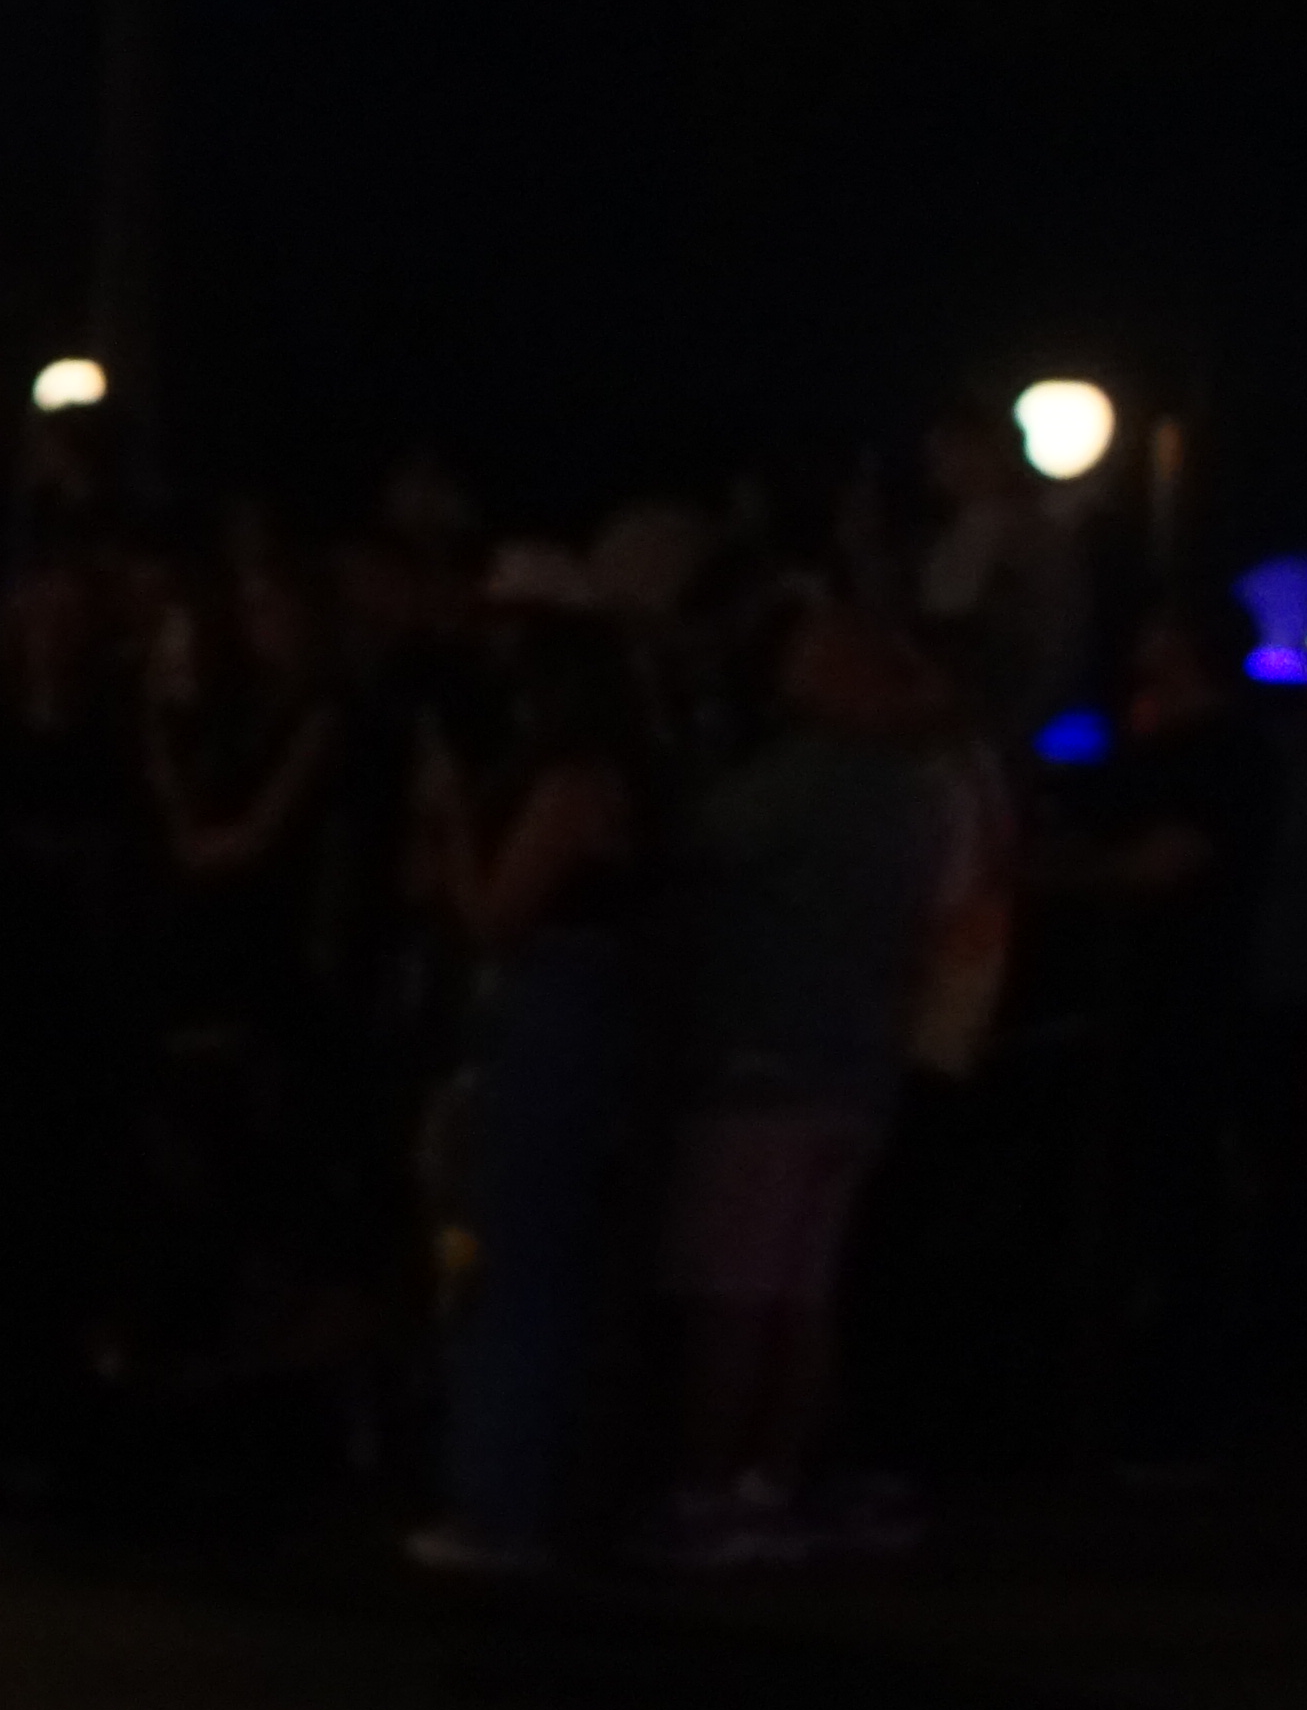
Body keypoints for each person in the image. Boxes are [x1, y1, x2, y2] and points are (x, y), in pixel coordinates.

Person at [655, 595, 953, 1560]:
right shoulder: (915, 795)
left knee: (735, 1289)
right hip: (856, 1066)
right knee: (802, 1293)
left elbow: (691, 844)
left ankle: (708, 1487)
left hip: (765, 1060)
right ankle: (771, 1481)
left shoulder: (795, 785)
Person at [408, 580, 648, 1573]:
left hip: (549, 1013)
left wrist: (455, 822)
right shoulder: (602, 783)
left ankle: (500, 1496)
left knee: (514, 1256)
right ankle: (514, 1487)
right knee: (511, 1251)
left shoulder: (572, 788)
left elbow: (498, 916)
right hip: (558, 1016)